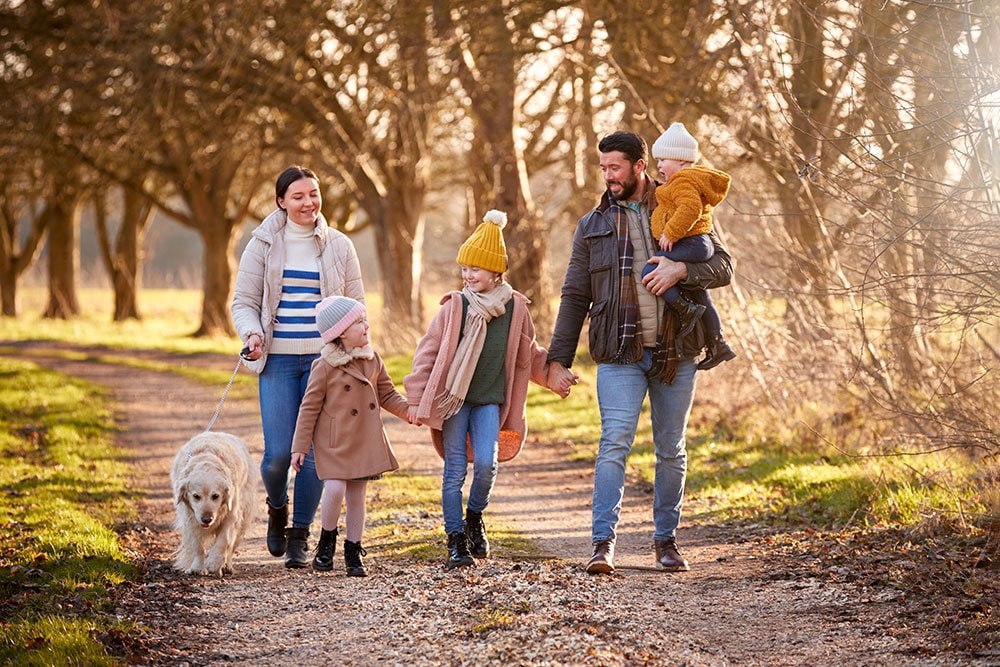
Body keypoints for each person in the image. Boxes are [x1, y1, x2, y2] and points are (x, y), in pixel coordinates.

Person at [546, 131, 734, 575]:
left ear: (639, 165)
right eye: (603, 168)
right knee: (614, 443)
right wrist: (558, 360)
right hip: (618, 353)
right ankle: (602, 544)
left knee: (671, 448)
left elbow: (723, 266)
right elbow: (575, 295)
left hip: (676, 351)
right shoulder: (591, 226)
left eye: (615, 167)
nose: (608, 176)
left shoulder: (682, 202)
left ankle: (666, 541)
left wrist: (681, 268)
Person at [404, 210, 572, 570]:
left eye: (476, 270)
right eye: (464, 269)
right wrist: (417, 401)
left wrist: (554, 376)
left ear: (496, 272)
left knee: (486, 463)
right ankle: (455, 540)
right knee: (453, 471)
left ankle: (474, 516)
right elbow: (427, 354)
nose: (468, 276)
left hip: (489, 403)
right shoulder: (455, 307)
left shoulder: (515, 309)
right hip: (453, 401)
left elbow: (530, 354)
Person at [231, 165, 365, 569]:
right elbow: (244, 303)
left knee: (313, 454)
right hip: (278, 360)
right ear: (281, 202)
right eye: (298, 197)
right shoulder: (262, 244)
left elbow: (357, 306)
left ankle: (300, 536)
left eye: (314, 194)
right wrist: (252, 334)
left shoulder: (340, 245)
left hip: (327, 361)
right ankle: (277, 505)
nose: (309, 203)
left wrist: (360, 356)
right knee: (277, 456)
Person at [290, 296, 410, 577]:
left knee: (357, 496)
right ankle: (326, 541)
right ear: (341, 332)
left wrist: (410, 413)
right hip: (334, 440)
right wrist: (300, 446)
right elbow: (308, 407)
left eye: (365, 320)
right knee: (334, 489)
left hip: (364, 439)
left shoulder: (372, 359)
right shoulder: (324, 366)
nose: (366, 326)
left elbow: (387, 394)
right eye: (359, 322)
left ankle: (354, 550)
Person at [640, 122, 735, 370]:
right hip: (697, 243)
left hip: (694, 242)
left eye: (663, 160)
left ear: (682, 161)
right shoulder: (682, 182)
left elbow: (690, 208)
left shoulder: (683, 181)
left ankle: (685, 309)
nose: (658, 165)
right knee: (702, 294)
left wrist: (670, 234)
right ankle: (719, 344)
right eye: (657, 160)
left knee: (650, 270)